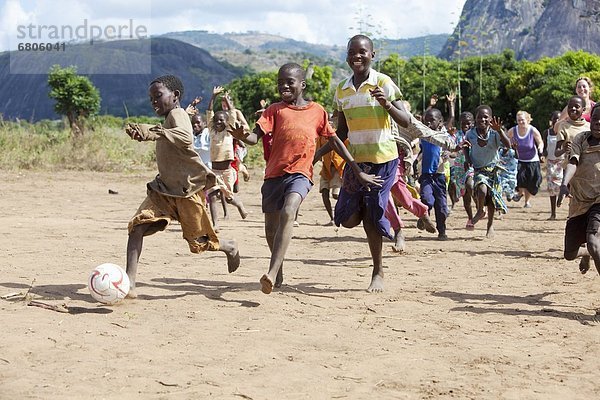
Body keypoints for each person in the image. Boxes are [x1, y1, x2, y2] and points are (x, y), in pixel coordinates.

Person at [319, 35, 461, 292]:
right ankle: (370, 209)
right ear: (347, 55)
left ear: (372, 55)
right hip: (357, 161)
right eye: (352, 52)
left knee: (373, 217)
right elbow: (341, 133)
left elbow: (405, 120)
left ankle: (378, 271)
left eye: (363, 52)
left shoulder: (384, 82)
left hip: (384, 160)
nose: (357, 56)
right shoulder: (341, 89)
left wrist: (386, 104)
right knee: (348, 219)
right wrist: (315, 155)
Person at [229, 62, 378, 294]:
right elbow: (253, 138)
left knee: (289, 211)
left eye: (289, 82)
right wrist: (241, 136)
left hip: (300, 173)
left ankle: (270, 271)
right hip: (273, 175)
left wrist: (356, 169)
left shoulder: (317, 111)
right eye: (280, 82)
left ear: (302, 84)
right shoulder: (274, 110)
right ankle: (278, 271)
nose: (284, 86)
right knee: (271, 229)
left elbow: (335, 140)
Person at [124, 75, 240, 298]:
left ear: (175, 96)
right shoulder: (172, 116)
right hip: (163, 189)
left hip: (187, 191)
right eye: (151, 99)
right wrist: (153, 131)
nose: (154, 102)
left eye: (158, 96)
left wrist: (154, 132)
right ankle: (129, 282)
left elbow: (186, 138)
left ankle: (229, 246)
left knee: (199, 242)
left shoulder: (177, 114)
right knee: (137, 227)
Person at [557, 103, 600, 276]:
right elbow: (573, 162)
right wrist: (563, 184)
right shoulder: (581, 139)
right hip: (579, 201)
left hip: (599, 201)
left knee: (594, 242)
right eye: (596, 119)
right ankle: (585, 254)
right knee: (569, 254)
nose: (598, 123)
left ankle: (591, 250)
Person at [205, 86, 248, 230]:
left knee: (229, 198)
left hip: (228, 171)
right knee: (212, 195)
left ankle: (239, 204)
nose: (218, 123)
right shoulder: (212, 131)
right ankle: (215, 223)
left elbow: (231, 114)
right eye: (216, 121)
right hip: (214, 171)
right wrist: (213, 96)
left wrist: (226, 100)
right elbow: (209, 112)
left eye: (222, 120)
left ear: (227, 121)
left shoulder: (229, 131)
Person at [465, 105, 511, 238]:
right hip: (478, 170)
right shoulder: (471, 133)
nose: (482, 119)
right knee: (481, 189)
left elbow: (507, 145)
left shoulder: (495, 133)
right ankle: (480, 211)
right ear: (475, 118)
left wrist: (500, 131)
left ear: (491, 119)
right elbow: (465, 147)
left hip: (493, 170)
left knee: (491, 199)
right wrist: (467, 159)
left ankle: (490, 225)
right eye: (479, 117)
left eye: (486, 117)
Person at [418, 108, 451, 240]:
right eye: (426, 121)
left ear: (440, 123)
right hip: (426, 174)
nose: (429, 124)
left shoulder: (444, 137)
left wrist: (449, 153)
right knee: (426, 199)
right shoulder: (423, 135)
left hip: (439, 175)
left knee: (441, 205)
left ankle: (442, 231)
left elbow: (452, 149)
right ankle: (424, 216)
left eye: (432, 121)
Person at [508, 110, 544, 208]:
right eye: (518, 120)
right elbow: (505, 139)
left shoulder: (532, 130)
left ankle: (527, 201)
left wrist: (540, 149)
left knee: (530, 181)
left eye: (522, 120)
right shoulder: (513, 130)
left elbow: (540, 141)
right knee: (520, 179)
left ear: (527, 120)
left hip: (532, 159)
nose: (520, 122)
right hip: (519, 159)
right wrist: (509, 147)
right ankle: (520, 193)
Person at [449, 112, 476, 229]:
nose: (465, 125)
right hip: (459, 168)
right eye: (463, 123)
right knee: (466, 199)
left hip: (472, 166)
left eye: (468, 123)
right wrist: (455, 150)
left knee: (470, 185)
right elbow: (452, 152)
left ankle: (480, 205)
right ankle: (470, 218)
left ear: (473, 123)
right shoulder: (456, 135)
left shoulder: (475, 134)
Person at [554, 96, 590, 171]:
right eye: (570, 107)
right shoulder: (563, 126)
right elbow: (556, 153)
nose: (573, 109)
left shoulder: (589, 126)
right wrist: (564, 149)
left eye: (577, 107)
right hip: (570, 169)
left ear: (583, 109)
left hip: (587, 168)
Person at [543, 110, 563, 220]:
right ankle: (553, 213)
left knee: (564, 186)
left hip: (562, 163)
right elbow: (545, 148)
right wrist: (542, 155)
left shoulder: (563, 132)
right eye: (555, 118)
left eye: (559, 119)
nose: (556, 121)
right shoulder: (547, 132)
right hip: (551, 162)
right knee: (551, 188)